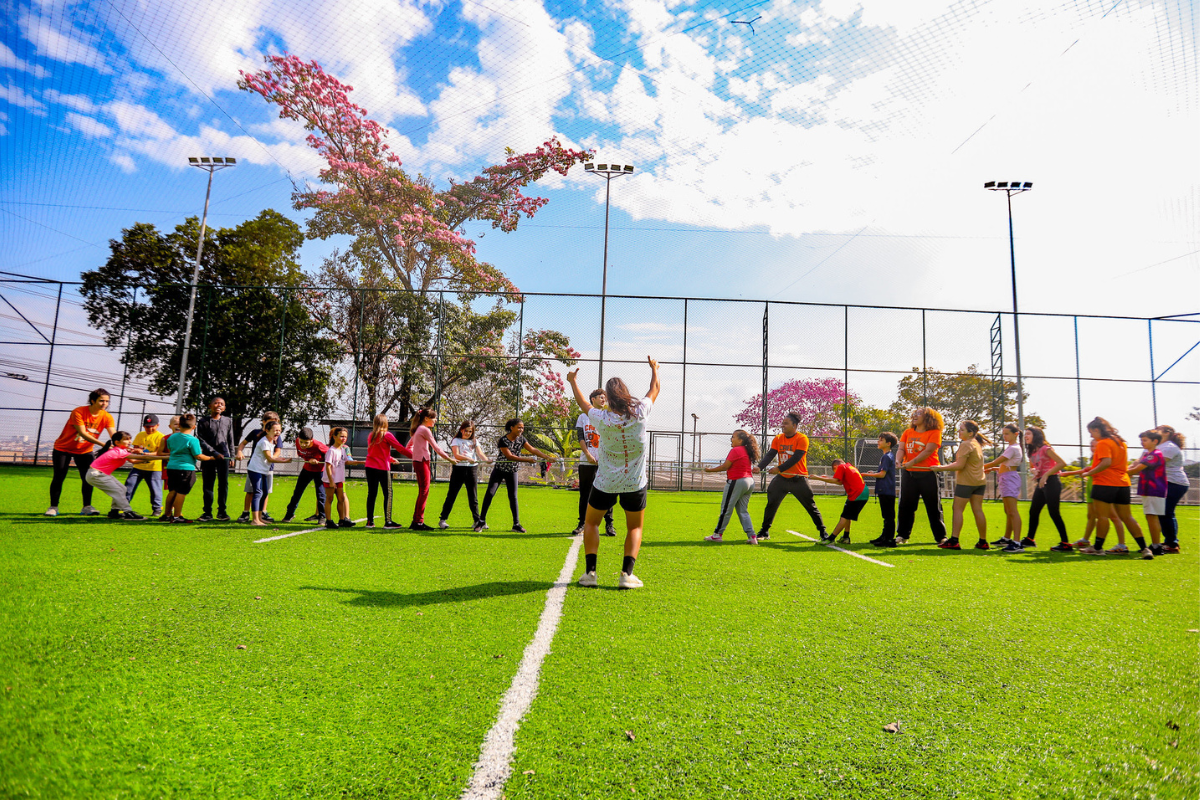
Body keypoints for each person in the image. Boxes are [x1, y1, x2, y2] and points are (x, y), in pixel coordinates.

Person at [568, 356, 661, 589]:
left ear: (607, 397)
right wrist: (654, 370)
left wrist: (572, 382)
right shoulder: (640, 411)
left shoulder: (601, 417)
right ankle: (626, 575)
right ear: (626, 394)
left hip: (605, 482)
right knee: (635, 528)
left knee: (590, 524)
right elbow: (655, 389)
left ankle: (590, 574)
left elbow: (583, 404)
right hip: (635, 482)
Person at [1060, 417, 1151, 559]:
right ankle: (1145, 548)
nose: (1091, 436)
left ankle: (1097, 548)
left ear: (1097, 430)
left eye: (1091, 432)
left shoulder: (1103, 443)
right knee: (1127, 517)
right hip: (1123, 483)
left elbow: (1106, 462)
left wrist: (1089, 473)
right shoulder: (1121, 442)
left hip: (1104, 483)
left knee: (1102, 517)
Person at [752, 412, 827, 541]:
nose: (783, 425)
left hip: (798, 478)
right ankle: (764, 531)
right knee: (771, 504)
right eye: (783, 423)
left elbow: (797, 458)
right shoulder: (778, 438)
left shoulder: (802, 438)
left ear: (794, 425)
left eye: (786, 423)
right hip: (782, 479)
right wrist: (760, 466)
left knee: (810, 506)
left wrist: (778, 468)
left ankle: (823, 532)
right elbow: (770, 454)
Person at [478, 419, 557, 533]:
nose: (521, 430)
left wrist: (547, 457)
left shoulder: (521, 439)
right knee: (490, 493)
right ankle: (481, 521)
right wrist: (527, 460)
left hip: (512, 471)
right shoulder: (503, 440)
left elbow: (532, 449)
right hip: (500, 470)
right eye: (519, 427)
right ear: (512, 427)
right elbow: (510, 456)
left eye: (522, 428)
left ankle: (516, 524)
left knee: (513, 496)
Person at [46, 388, 116, 517]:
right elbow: (83, 433)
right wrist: (104, 445)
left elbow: (114, 436)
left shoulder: (107, 417)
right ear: (92, 400)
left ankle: (87, 507)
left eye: (107, 401)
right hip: (63, 449)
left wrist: (122, 445)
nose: (105, 404)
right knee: (59, 477)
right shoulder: (78, 412)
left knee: (88, 478)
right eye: (101, 401)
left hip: (84, 450)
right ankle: (53, 507)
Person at [929, 420, 990, 550]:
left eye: (962, 429)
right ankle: (983, 541)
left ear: (970, 433)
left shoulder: (966, 444)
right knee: (978, 510)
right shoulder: (976, 444)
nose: (959, 432)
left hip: (967, 482)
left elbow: (959, 465)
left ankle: (954, 540)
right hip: (980, 482)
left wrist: (940, 468)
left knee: (957, 509)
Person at [896, 407, 947, 545]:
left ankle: (941, 537)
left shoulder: (935, 432)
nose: (914, 416)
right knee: (906, 505)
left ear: (928, 418)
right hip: (909, 474)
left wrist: (911, 462)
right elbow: (901, 448)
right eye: (914, 413)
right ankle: (902, 536)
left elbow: (929, 450)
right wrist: (898, 460)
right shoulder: (907, 432)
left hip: (928, 473)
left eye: (919, 414)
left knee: (933, 506)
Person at [85, 431, 164, 520]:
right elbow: (142, 457)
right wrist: (166, 457)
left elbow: (133, 461)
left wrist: (144, 458)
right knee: (118, 491)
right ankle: (128, 512)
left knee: (123, 489)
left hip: (98, 474)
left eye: (130, 439)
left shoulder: (121, 451)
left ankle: (114, 512)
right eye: (126, 440)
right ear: (117, 442)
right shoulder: (119, 452)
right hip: (96, 475)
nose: (130, 441)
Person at [702, 429, 760, 544]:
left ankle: (717, 535)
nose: (731, 439)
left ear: (740, 440)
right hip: (749, 481)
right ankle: (752, 536)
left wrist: (709, 470)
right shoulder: (747, 450)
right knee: (743, 511)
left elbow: (725, 466)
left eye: (733, 437)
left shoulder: (736, 450)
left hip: (737, 481)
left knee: (726, 509)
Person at [573, 389, 615, 537]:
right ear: (592, 399)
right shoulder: (583, 417)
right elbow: (581, 437)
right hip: (587, 462)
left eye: (605, 397)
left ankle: (609, 525)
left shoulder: (608, 416)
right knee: (585, 494)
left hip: (605, 463)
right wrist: (588, 454)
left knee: (608, 493)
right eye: (600, 397)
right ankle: (582, 523)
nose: (603, 400)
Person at [408, 408, 458, 531]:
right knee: (424, 491)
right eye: (434, 418)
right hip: (422, 462)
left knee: (423, 491)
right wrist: (450, 459)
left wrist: (415, 456)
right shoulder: (425, 430)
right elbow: (436, 448)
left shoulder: (418, 429)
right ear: (426, 418)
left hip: (420, 461)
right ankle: (418, 522)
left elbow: (408, 447)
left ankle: (416, 521)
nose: (435, 420)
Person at [1024, 426, 1072, 552]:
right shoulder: (1031, 451)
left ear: (1036, 435)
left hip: (1052, 482)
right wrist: (1034, 471)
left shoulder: (1046, 449)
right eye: (1025, 434)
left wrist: (1046, 474)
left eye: (1028, 434)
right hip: (1041, 483)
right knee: (1033, 511)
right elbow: (1032, 466)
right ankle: (1030, 539)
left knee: (1054, 512)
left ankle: (1066, 543)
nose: (1025, 436)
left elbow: (1062, 463)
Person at [161, 413, 213, 523]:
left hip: (171, 467)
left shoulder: (171, 437)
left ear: (179, 425)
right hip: (186, 469)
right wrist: (211, 458)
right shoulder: (193, 440)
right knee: (181, 492)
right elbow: (198, 455)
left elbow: (171, 450)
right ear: (194, 427)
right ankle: (177, 517)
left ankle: (167, 515)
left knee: (172, 491)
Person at [439, 420, 491, 530]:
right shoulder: (456, 440)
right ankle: (443, 519)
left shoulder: (474, 441)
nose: (468, 433)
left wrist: (486, 460)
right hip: (459, 469)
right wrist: (468, 458)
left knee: (473, 497)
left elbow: (480, 453)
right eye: (466, 431)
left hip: (472, 469)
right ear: (461, 430)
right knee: (452, 495)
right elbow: (456, 455)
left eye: (470, 431)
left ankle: (477, 521)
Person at [364, 414, 413, 530]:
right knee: (388, 493)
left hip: (370, 467)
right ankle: (388, 521)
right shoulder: (387, 435)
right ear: (385, 423)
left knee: (372, 493)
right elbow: (400, 448)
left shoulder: (371, 435)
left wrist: (390, 459)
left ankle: (370, 522)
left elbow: (375, 451)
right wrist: (414, 456)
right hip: (382, 468)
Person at [809, 457, 870, 544]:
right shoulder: (849, 466)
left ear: (835, 466)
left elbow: (836, 480)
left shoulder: (841, 467)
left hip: (857, 494)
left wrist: (818, 478)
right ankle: (846, 537)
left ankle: (831, 539)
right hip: (862, 492)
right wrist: (827, 477)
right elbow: (840, 482)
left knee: (844, 517)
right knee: (847, 516)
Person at [983, 424, 1024, 551]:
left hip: (1009, 479)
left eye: (1007, 434)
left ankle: (1017, 542)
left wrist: (978, 467)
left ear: (1015, 434)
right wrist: (993, 469)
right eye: (1004, 434)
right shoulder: (1011, 448)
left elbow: (997, 461)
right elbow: (1004, 465)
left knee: (1012, 511)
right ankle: (1007, 538)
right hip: (1005, 478)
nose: (1004, 436)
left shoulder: (1014, 448)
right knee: (1008, 511)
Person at [236, 412, 283, 523]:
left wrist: (273, 458)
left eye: (276, 422)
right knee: (252, 491)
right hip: (255, 468)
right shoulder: (259, 436)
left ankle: (262, 514)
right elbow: (243, 443)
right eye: (270, 422)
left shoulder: (276, 436)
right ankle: (247, 513)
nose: (274, 425)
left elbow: (277, 450)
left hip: (266, 468)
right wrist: (239, 451)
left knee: (265, 492)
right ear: (264, 423)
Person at [1127, 430, 1167, 556]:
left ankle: (1157, 546)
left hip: (1154, 489)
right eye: (1142, 440)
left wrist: (1118, 471)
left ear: (1155, 441)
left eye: (1145, 440)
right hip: (1149, 489)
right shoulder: (1148, 454)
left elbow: (1137, 469)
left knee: (1152, 516)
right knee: (1150, 516)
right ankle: (1156, 545)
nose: (1142, 443)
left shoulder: (1154, 454)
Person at [245, 419, 293, 526]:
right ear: (267, 430)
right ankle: (254, 520)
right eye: (275, 430)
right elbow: (270, 459)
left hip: (263, 470)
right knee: (258, 492)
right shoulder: (264, 442)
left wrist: (282, 459)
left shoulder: (272, 441)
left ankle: (260, 518)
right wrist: (284, 461)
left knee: (265, 492)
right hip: (255, 470)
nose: (278, 432)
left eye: (279, 430)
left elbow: (270, 458)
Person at [196, 396, 236, 522]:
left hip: (224, 456)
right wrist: (213, 453)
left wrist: (232, 456)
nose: (219, 405)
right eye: (216, 403)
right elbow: (200, 439)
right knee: (208, 484)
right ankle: (207, 512)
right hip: (209, 456)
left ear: (224, 408)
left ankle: (222, 512)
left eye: (221, 404)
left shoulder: (228, 421)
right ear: (210, 406)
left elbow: (230, 439)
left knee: (223, 484)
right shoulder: (203, 421)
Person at [282, 427, 328, 523]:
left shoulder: (318, 445)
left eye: (306, 443)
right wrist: (308, 459)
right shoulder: (297, 442)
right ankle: (289, 514)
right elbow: (301, 454)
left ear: (311, 440)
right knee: (297, 493)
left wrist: (318, 460)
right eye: (301, 442)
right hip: (306, 470)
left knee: (321, 494)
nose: (303, 445)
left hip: (319, 471)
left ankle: (322, 517)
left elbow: (330, 455)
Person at [1155, 425, 1188, 554]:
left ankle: (1172, 544)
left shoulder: (1169, 447)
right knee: (1163, 512)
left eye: (1158, 429)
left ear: (1167, 433)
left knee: (1166, 512)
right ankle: (1170, 541)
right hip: (1167, 482)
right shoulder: (1161, 446)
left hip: (1175, 483)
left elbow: (1157, 462)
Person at [323, 427, 364, 529]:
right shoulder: (331, 451)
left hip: (340, 479)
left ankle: (342, 520)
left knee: (341, 499)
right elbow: (328, 466)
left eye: (345, 437)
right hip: (331, 480)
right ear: (334, 437)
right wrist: (331, 481)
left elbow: (347, 461)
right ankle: (328, 521)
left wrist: (361, 462)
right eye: (341, 436)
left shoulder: (342, 450)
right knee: (329, 499)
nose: (343, 438)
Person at [124, 414, 164, 517]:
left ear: (157, 425)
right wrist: (135, 451)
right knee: (129, 485)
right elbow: (136, 449)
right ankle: (123, 507)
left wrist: (143, 453)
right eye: (147, 426)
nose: (150, 428)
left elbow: (158, 453)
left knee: (155, 489)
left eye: (152, 426)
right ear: (144, 426)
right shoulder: (140, 435)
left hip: (154, 468)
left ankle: (157, 509)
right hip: (139, 466)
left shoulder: (161, 437)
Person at [864, 432, 898, 547]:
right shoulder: (887, 456)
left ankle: (889, 539)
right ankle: (884, 536)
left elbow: (882, 475)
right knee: (886, 516)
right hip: (885, 490)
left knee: (888, 516)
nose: (878, 442)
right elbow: (882, 473)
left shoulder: (887, 457)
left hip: (887, 490)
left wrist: (866, 475)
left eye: (881, 440)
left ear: (888, 444)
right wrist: (874, 473)